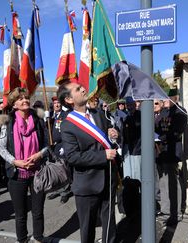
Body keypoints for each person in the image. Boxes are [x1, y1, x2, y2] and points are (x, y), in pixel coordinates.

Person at [58, 82, 119, 243]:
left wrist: (112, 134)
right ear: (69, 99)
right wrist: (102, 156)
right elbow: (73, 157)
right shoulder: (67, 125)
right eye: (78, 89)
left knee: (109, 223)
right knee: (87, 228)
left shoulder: (98, 114)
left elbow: (106, 139)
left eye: (81, 87)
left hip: (108, 178)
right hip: (87, 183)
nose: (84, 89)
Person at [0, 88, 48, 243]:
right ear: (14, 104)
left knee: (38, 212)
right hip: (16, 173)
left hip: (37, 172)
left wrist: (39, 155)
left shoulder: (39, 120)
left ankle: (38, 239)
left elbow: (47, 145)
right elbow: (1, 147)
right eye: (20, 99)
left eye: (26, 97)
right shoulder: (8, 122)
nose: (25, 100)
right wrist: (15, 161)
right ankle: (22, 240)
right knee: (20, 214)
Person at [155, 88, 188, 225]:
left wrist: (161, 138)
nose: (165, 101)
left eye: (168, 98)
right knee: (163, 179)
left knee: (173, 181)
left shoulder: (180, 112)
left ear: (175, 98)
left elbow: (176, 131)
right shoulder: (164, 111)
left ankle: (176, 210)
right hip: (161, 150)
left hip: (172, 151)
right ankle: (166, 208)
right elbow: (156, 126)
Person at [46, 96, 73, 204]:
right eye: (55, 103)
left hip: (61, 145)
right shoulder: (50, 116)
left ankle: (65, 192)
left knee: (63, 169)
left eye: (58, 103)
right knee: (54, 169)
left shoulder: (65, 115)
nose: (56, 105)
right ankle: (57, 189)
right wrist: (46, 119)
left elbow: (67, 132)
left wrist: (65, 147)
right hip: (51, 146)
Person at [122, 96, 141, 180]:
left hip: (137, 149)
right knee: (130, 173)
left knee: (137, 173)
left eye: (131, 104)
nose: (129, 107)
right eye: (128, 105)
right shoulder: (126, 117)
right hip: (128, 149)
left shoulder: (140, 115)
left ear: (135, 104)